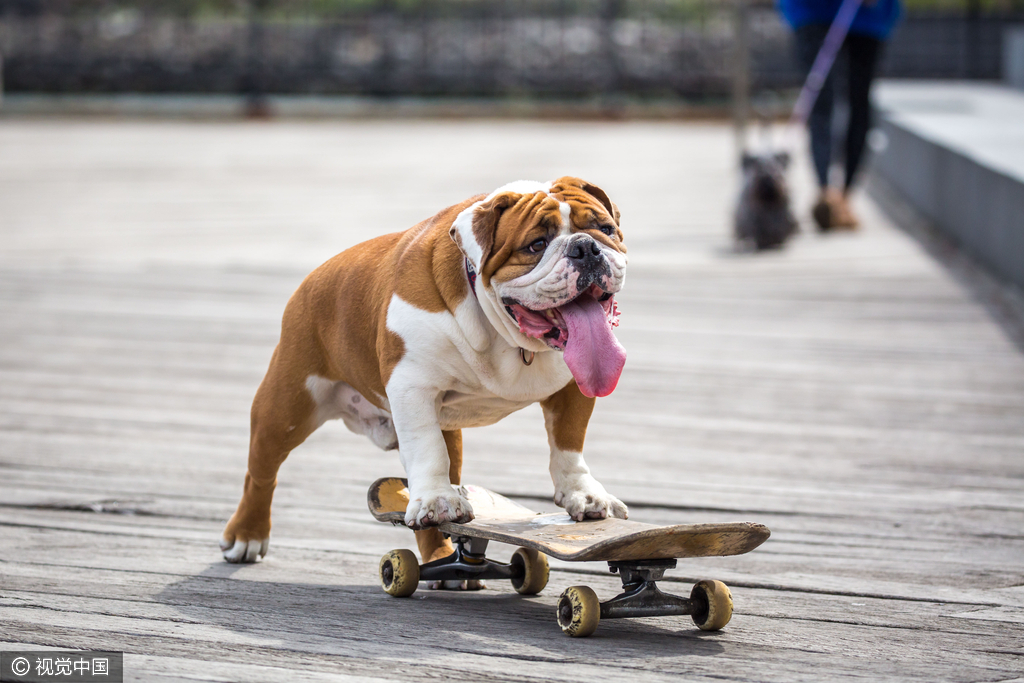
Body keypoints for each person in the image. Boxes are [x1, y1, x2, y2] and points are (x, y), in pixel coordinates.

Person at [778, 0, 901, 230]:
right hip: (812, 10)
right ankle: (826, 192)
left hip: (866, 13)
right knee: (820, 98)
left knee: (859, 101)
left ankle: (845, 196)